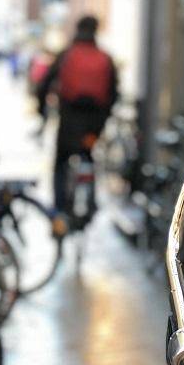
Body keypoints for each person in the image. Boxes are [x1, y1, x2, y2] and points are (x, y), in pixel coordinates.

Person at [35, 15, 118, 215]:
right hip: (94, 125)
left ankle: (59, 210)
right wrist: (104, 118)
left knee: (61, 163)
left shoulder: (66, 55)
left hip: (69, 122)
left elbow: (44, 84)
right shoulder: (105, 58)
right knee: (89, 156)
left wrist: (41, 111)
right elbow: (114, 92)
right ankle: (91, 202)